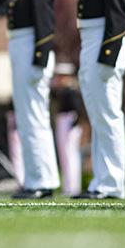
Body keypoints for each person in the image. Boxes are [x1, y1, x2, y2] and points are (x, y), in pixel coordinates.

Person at [60, 0, 125, 199]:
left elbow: (118, 14)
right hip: (92, 40)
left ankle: (112, 183)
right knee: (98, 116)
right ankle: (101, 182)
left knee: (108, 116)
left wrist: (108, 55)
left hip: (105, 41)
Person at [0, 0, 59, 199]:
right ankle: (34, 179)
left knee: (35, 119)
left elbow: (45, 26)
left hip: (32, 50)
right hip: (21, 47)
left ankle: (42, 181)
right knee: (27, 119)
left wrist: (39, 62)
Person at [51, 63, 85, 197]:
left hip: (69, 121)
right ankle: (68, 186)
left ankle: (73, 187)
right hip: (62, 120)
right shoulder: (61, 91)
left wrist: (74, 123)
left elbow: (77, 109)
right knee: (65, 155)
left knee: (70, 154)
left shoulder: (72, 91)